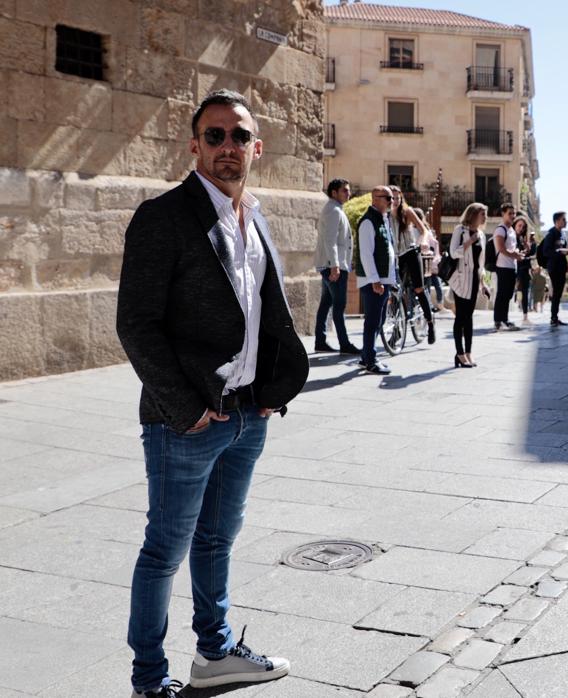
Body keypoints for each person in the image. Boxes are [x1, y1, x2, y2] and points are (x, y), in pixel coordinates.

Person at [117, 89, 307, 697]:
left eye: (240, 136)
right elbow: (136, 325)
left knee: (219, 539)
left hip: (249, 412)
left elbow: (264, 311)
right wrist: (188, 409)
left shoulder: (258, 218)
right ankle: (149, 679)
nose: (229, 147)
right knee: (165, 550)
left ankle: (215, 651)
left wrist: (272, 392)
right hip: (188, 421)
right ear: (195, 145)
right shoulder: (163, 217)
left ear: (258, 146)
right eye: (216, 135)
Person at [355, 186, 398, 374]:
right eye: (387, 197)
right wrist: (375, 280)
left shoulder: (383, 220)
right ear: (375, 199)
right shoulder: (368, 222)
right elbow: (366, 253)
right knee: (372, 321)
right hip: (374, 280)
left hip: (383, 279)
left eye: (392, 198)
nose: (391, 201)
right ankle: (371, 360)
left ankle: (366, 357)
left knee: (378, 321)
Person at [314, 178, 359, 354]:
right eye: (344, 191)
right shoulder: (333, 210)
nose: (348, 193)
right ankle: (344, 344)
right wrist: (335, 266)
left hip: (331, 264)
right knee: (339, 305)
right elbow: (330, 240)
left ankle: (320, 341)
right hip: (333, 266)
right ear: (334, 192)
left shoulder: (335, 209)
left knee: (326, 303)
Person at [450, 203, 487, 367]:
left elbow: (481, 263)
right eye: (482, 214)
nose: (485, 217)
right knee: (460, 317)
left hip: (474, 279)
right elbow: (453, 252)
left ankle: (469, 353)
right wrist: (469, 242)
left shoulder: (482, 235)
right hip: (460, 279)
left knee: (469, 318)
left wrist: (483, 283)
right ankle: (459, 353)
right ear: (473, 215)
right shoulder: (460, 230)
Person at [396, 204, 435, 344]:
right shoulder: (385, 215)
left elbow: (424, 230)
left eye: (396, 197)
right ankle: (396, 330)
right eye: (391, 198)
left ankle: (430, 324)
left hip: (411, 252)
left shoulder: (407, 211)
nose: (393, 201)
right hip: (396, 255)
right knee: (396, 292)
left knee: (419, 288)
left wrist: (424, 242)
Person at [491, 203, 522, 331]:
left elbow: (511, 248)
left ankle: (504, 319)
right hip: (502, 266)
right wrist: (514, 255)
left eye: (514, 213)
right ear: (503, 214)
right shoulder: (500, 229)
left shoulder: (511, 230)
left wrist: (518, 252)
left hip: (511, 266)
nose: (513, 216)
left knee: (509, 294)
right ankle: (498, 320)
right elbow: (501, 249)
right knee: (502, 294)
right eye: (510, 213)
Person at [540, 211, 568, 326]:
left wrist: (566, 253)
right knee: (556, 292)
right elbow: (546, 251)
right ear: (557, 221)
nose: (565, 221)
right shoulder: (551, 233)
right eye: (563, 219)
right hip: (554, 267)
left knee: (558, 293)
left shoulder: (562, 234)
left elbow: (564, 248)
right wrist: (559, 253)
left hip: (562, 267)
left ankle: (555, 317)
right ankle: (553, 318)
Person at [417, 211, 444, 309]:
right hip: (427, 263)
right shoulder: (423, 230)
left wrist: (435, 261)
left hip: (428, 263)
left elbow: (434, 245)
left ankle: (435, 304)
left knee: (429, 285)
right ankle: (431, 304)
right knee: (428, 285)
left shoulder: (425, 231)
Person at [515, 215, 535, 324]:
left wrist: (528, 247)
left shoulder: (524, 239)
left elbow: (531, 253)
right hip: (513, 266)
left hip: (523, 268)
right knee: (508, 292)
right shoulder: (511, 237)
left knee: (525, 291)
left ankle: (525, 316)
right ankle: (501, 318)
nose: (521, 229)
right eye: (519, 226)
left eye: (523, 227)